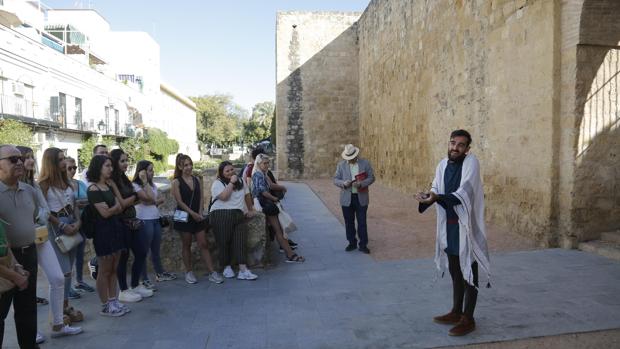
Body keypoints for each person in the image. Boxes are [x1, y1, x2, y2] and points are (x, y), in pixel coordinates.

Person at [414, 129, 491, 336]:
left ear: (467, 148)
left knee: (469, 273)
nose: (455, 147)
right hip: (448, 226)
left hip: (466, 228)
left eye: (460, 145)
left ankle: (469, 318)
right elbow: (436, 188)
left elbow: (464, 193)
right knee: (455, 270)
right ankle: (456, 312)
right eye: (452, 143)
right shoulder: (442, 165)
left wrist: (436, 198)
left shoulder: (471, 163)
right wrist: (427, 196)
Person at [18, 147, 82, 340]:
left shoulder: (33, 185)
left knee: (58, 278)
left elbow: (45, 210)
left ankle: (58, 325)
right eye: (24, 158)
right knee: (26, 288)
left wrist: (44, 216)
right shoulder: (13, 186)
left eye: (31, 157)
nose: (29, 161)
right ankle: (30, 331)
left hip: (40, 235)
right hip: (22, 240)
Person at [38, 148, 85, 326]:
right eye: (60, 159)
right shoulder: (43, 185)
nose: (64, 162)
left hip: (72, 224)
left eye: (64, 158)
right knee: (62, 273)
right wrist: (62, 225)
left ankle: (65, 306)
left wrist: (78, 222)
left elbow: (74, 206)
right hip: (56, 229)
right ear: (51, 163)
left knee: (68, 270)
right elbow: (43, 211)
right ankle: (56, 313)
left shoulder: (68, 182)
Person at [0, 144, 39, 348]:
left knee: (27, 309)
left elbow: (33, 217)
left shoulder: (29, 190)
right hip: (5, 260)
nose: (20, 163)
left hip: (29, 253)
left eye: (20, 159)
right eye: (12, 159)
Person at [171, 154, 223, 284]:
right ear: (179, 167)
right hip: (182, 216)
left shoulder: (196, 179)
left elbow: (200, 198)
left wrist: (199, 212)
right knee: (186, 244)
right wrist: (192, 213)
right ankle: (188, 272)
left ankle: (212, 272)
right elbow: (179, 201)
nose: (189, 167)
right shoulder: (176, 182)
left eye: (190, 164)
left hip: (196, 215)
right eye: (185, 165)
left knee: (203, 243)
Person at [109, 149, 152, 302]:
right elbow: (121, 204)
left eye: (126, 160)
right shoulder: (112, 181)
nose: (126, 164)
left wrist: (132, 199)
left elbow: (145, 198)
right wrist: (134, 197)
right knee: (123, 256)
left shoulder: (125, 179)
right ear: (114, 162)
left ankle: (135, 284)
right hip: (120, 223)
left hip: (132, 221)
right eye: (122, 161)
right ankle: (123, 289)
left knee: (141, 251)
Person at [86, 155, 127, 317]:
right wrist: (115, 207)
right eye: (107, 166)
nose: (111, 168)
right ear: (98, 168)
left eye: (111, 165)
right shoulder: (93, 189)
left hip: (115, 228)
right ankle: (105, 304)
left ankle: (113, 300)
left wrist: (115, 191)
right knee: (105, 269)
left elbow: (121, 206)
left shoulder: (108, 186)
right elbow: (105, 213)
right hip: (103, 232)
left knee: (114, 268)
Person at [210, 161, 258, 280]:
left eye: (232, 169)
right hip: (220, 213)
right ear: (221, 173)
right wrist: (231, 183)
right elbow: (224, 197)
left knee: (240, 240)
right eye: (227, 171)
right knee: (223, 241)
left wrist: (251, 209)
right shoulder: (217, 183)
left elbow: (247, 195)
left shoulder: (241, 182)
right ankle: (226, 267)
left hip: (237, 213)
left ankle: (243, 270)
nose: (231, 172)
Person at [252, 154, 304, 263]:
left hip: (266, 203)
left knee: (279, 230)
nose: (267, 165)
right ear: (258, 164)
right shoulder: (258, 175)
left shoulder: (262, 173)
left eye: (267, 163)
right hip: (265, 204)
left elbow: (270, 185)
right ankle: (290, 255)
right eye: (264, 163)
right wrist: (274, 198)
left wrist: (282, 188)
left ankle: (290, 254)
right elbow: (263, 192)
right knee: (279, 230)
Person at [131, 160, 176, 289]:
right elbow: (149, 200)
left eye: (152, 169)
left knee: (155, 250)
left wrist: (153, 200)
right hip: (144, 219)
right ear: (142, 171)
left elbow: (157, 199)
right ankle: (143, 278)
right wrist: (145, 183)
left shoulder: (152, 185)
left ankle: (160, 273)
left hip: (155, 218)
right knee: (143, 251)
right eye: (150, 170)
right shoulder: (136, 185)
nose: (152, 172)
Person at [333, 144, 375, 254]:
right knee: (349, 222)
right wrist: (343, 183)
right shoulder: (341, 165)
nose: (350, 160)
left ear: (356, 155)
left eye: (351, 157)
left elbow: (371, 178)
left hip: (361, 197)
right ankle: (352, 243)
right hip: (347, 198)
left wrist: (361, 184)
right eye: (348, 158)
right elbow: (335, 179)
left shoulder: (365, 163)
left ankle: (363, 245)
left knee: (362, 222)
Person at [65, 157, 95, 293]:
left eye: (74, 168)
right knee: (69, 256)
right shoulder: (62, 186)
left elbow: (91, 198)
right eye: (69, 168)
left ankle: (79, 281)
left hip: (82, 222)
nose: (72, 170)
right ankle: (68, 286)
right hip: (69, 224)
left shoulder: (80, 184)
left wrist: (83, 202)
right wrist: (78, 203)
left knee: (80, 254)